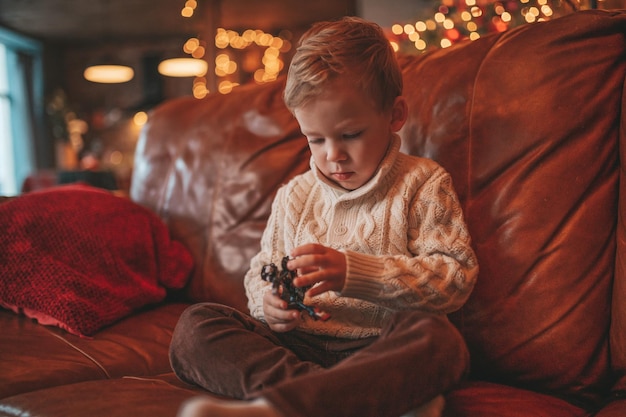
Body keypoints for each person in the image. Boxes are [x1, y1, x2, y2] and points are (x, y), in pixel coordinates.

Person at [169, 16, 479, 417]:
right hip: (301, 348)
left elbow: (455, 279)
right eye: (315, 139)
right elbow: (259, 273)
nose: (333, 155)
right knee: (195, 328)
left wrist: (355, 272)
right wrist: (270, 305)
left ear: (395, 115)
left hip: (381, 347)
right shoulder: (294, 196)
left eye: (350, 135)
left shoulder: (423, 183)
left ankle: (289, 405)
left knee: (440, 340)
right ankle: (352, 399)